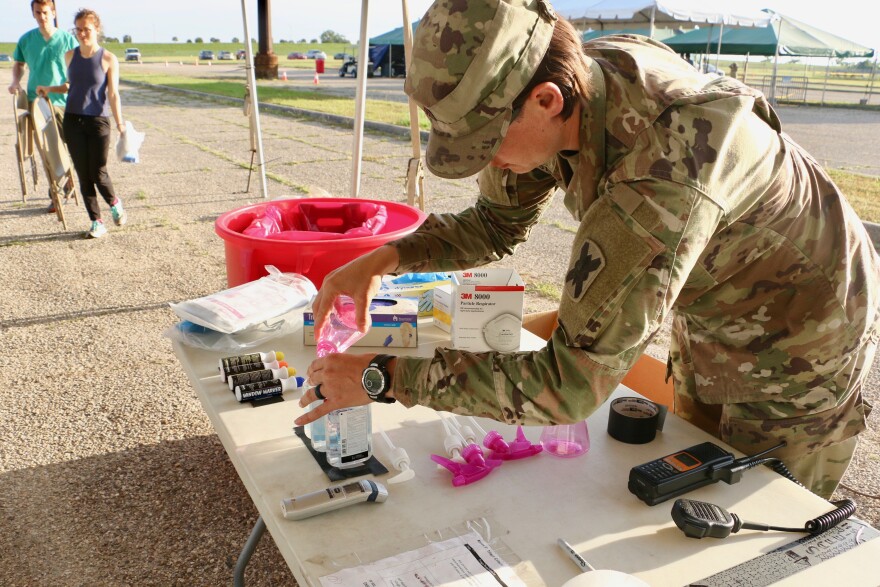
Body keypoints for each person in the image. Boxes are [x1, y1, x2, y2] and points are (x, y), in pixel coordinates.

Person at [295, 0, 879, 499]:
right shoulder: (567, 80)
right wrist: (380, 260)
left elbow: (570, 384)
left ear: (546, 101)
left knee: (755, 510)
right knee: (693, 468)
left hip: (804, 334)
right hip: (721, 295)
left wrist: (386, 377)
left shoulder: (661, 178)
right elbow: (495, 224)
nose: (485, 162)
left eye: (487, 143)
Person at [37, 8, 127, 239]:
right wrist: (49, 89)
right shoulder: (70, 56)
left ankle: (114, 203)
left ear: (96, 29)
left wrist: (120, 124)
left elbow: (114, 94)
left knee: (98, 172)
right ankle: (96, 221)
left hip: (98, 121)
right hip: (73, 120)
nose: (82, 33)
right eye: (78, 29)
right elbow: (69, 85)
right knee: (82, 174)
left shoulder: (108, 58)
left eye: (86, 29)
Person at [8, 0, 78, 213]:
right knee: (46, 150)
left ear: (53, 12)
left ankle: (69, 178)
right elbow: (19, 64)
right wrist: (15, 81)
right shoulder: (26, 40)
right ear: (33, 13)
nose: (42, 16)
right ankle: (55, 193)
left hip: (63, 101)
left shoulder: (67, 40)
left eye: (46, 12)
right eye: (38, 12)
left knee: (69, 146)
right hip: (36, 102)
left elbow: (76, 69)